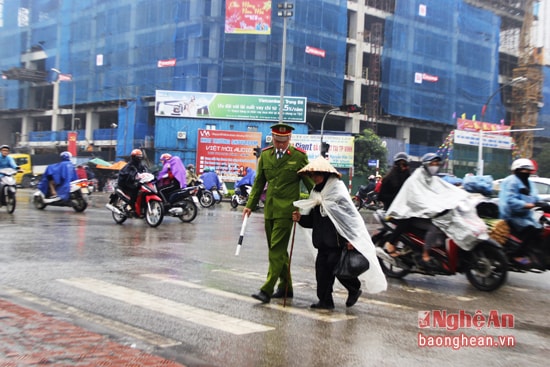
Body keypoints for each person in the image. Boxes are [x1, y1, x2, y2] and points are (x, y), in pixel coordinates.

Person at [292, 157, 387, 309]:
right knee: (322, 274)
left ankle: (354, 289)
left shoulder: (338, 194)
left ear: (325, 174)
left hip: (337, 243)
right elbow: (313, 221)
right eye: (312, 175)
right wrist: (300, 218)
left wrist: (351, 240)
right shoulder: (316, 193)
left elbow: (349, 220)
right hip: (322, 243)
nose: (314, 178)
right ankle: (325, 302)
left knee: (340, 270)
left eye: (317, 174)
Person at [244, 122, 314, 304]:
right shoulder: (266, 156)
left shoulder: (299, 157)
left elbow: (310, 184)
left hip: (287, 211)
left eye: (283, 140)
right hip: (269, 209)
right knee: (278, 250)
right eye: (277, 140)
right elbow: (259, 182)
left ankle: (266, 289)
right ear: (272, 138)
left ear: (289, 138)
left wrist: (322, 200)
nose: (280, 144)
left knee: (276, 249)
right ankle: (285, 287)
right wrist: (250, 205)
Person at [385, 153, 469, 269]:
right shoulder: (415, 179)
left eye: (436, 163)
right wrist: (433, 208)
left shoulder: (433, 178)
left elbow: (444, 191)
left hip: (424, 214)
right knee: (435, 225)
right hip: (410, 214)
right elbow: (418, 200)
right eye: (432, 163)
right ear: (425, 165)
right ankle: (425, 254)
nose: (434, 166)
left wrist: (462, 196)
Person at [498, 158, 543, 267]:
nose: (526, 173)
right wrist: (526, 205)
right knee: (530, 229)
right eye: (523, 170)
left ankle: (531, 253)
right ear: (516, 170)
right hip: (511, 215)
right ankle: (515, 255)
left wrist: (541, 203)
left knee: (540, 228)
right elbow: (510, 200)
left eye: (528, 171)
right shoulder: (511, 181)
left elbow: (534, 196)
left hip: (525, 215)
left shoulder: (529, 182)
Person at [379, 152, 411, 256]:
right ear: (395, 165)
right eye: (400, 164)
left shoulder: (409, 178)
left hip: (406, 208)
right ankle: (391, 242)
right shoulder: (388, 179)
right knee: (406, 221)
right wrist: (396, 199)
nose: (402, 167)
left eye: (404, 164)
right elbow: (381, 196)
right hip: (392, 210)